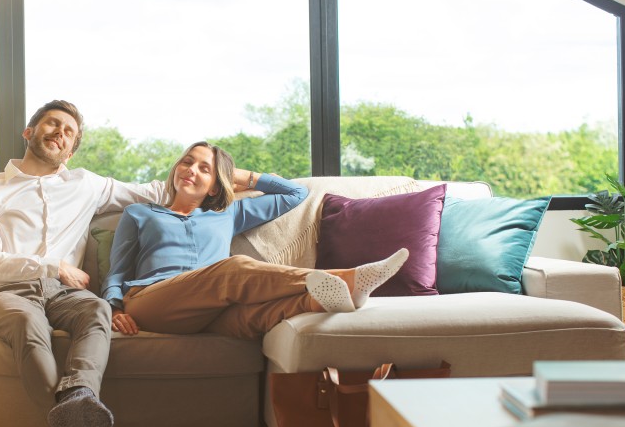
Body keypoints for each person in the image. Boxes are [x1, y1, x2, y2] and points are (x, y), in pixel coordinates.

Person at [0, 100, 166, 427]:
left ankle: (79, 395)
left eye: (68, 131)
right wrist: (52, 266)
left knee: (98, 308)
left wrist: (232, 179)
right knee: (28, 324)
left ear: (70, 151)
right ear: (29, 132)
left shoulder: (86, 185)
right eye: (52, 124)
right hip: (4, 290)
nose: (59, 132)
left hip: (65, 294)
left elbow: (154, 193)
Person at [103, 141, 409, 340]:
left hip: (211, 310)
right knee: (231, 269)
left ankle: (334, 297)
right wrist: (114, 308)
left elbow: (294, 194)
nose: (190, 169)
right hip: (152, 301)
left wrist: (243, 176)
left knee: (262, 315)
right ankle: (348, 278)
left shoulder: (229, 213)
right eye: (186, 162)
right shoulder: (139, 214)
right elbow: (118, 270)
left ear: (214, 186)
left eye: (203, 168)